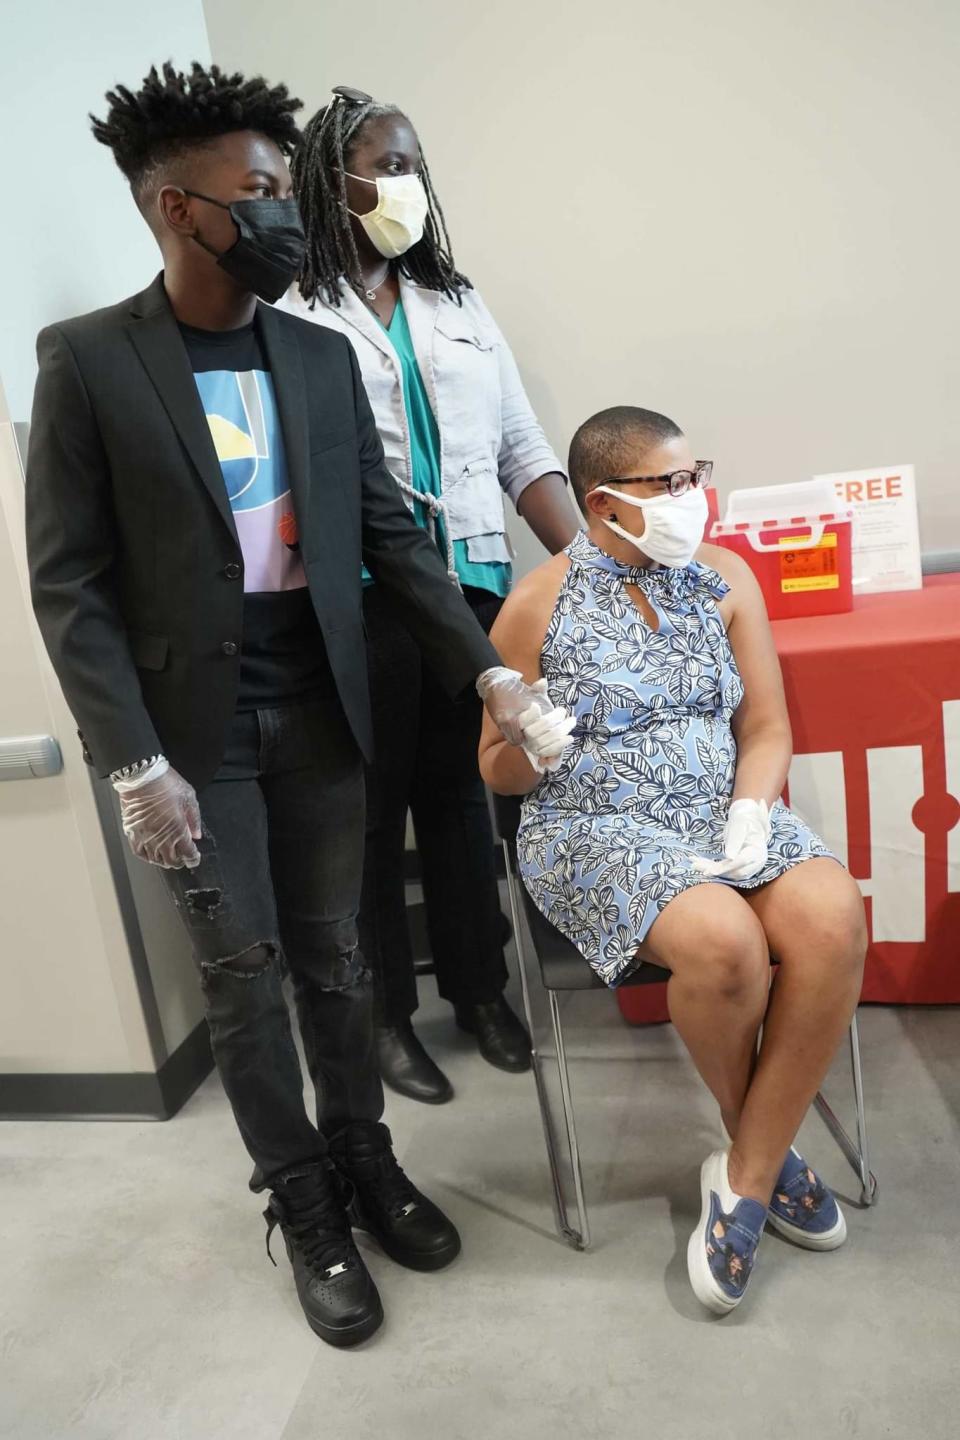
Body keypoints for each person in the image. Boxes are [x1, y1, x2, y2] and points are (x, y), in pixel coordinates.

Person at [25, 61, 559, 1349]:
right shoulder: (91, 361)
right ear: (173, 208)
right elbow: (70, 586)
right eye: (259, 190)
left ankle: (367, 1161)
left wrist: (485, 665)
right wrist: (131, 762)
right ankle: (305, 1203)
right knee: (246, 978)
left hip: (325, 710)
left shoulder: (316, 358)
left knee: (339, 958)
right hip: (192, 739)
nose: (285, 212)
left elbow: (388, 529)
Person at [479, 406, 867, 1314]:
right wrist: (528, 741)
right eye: (675, 484)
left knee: (833, 914)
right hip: (595, 828)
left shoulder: (724, 578)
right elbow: (493, 768)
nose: (697, 499)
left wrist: (750, 803)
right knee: (726, 943)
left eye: (698, 476)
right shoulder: (535, 605)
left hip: (717, 810)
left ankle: (744, 1171)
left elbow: (765, 725)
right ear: (605, 504)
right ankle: (762, 1155)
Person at [277, 86, 581, 1104]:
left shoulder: (458, 304)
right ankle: (384, 1018)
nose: (406, 183)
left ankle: (480, 990)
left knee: (462, 800)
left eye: (413, 164)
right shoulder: (291, 312)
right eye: (384, 164)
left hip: (476, 585)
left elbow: (521, 451)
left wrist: (590, 564)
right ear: (332, 180)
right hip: (361, 598)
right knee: (368, 813)